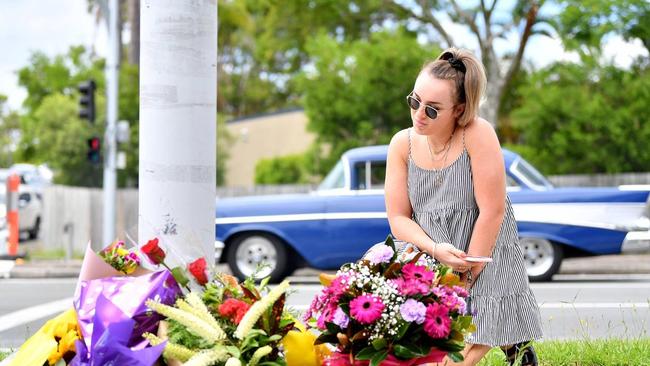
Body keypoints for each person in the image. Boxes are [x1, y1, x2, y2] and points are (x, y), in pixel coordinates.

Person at [384, 47, 543, 365]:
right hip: (431, 249)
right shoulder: (402, 144)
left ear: (458, 110)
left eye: (432, 109)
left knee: (460, 352)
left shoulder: (477, 134)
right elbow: (399, 218)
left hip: (484, 244)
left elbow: (492, 211)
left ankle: (515, 344)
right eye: (415, 101)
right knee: (417, 340)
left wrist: (465, 278)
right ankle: (516, 345)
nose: (418, 114)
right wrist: (434, 249)